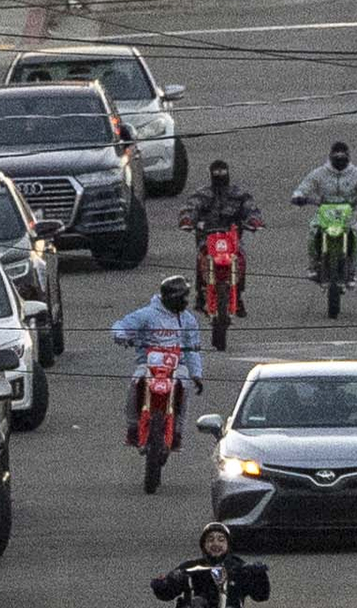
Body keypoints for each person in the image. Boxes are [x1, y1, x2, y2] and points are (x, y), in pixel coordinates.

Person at [112, 275, 205, 441]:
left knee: (184, 388)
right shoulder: (146, 315)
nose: (185, 302)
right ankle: (133, 426)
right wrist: (121, 336)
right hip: (147, 364)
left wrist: (196, 374)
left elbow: (192, 348)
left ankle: (177, 431)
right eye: (182, 297)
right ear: (171, 298)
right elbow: (121, 326)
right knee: (135, 384)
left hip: (178, 366)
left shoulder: (188, 320)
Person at [178, 160, 263, 314]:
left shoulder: (239, 194)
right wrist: (187, 220)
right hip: (208, 236)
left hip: (232, 236)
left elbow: (251, 209)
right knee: (201, 258)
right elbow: (190, 207)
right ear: (211, 174)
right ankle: (200, 293)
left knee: (241, 258)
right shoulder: (202, 194)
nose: (220, 176)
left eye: (223, 172)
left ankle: (238, 295)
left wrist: (254, 221)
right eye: (216, 173)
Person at [290, 141, 357, 285]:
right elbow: (305, 185)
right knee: (313, 230)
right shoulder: (319, 173)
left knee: (356, 233)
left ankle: (352, 272)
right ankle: (313, 266)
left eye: (342, 157)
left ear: (348, 157)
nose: (339, 160)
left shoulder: (356, 173)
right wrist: (298, 195)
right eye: (336, 157)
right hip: (325, 211)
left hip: (349, 213)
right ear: (331, 157)